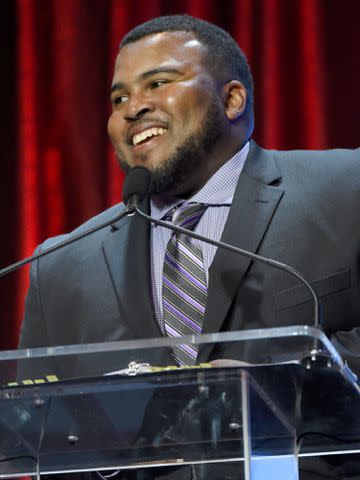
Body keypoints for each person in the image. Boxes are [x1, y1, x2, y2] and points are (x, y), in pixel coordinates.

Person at [19, 14, 360, 480]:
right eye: (119, 98)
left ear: (233, 99)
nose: (132, 108)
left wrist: (282, 386)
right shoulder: (58, 266)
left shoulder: (346, 189)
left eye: (158, 82)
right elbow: (38, 436)